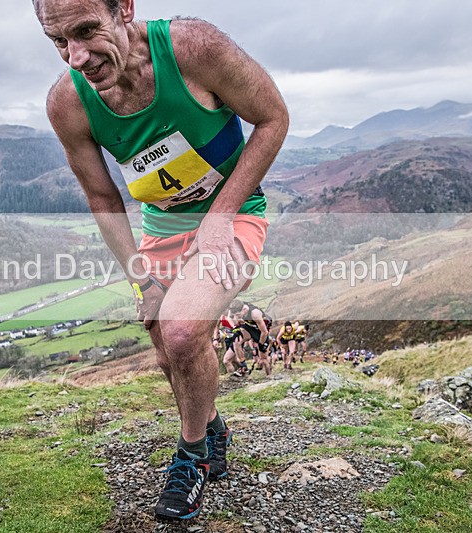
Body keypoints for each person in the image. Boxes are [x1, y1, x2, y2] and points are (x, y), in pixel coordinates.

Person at [34, 0, 288, 521]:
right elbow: (102, 198)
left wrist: (221, 214)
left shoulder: (194, 49)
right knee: (165, 346)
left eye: (87, 30)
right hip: (163, 228)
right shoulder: (68, 102)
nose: (76, 56)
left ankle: (191, 456)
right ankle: (212, 426)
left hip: (233, 213)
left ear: (124, 8)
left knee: (182, 331)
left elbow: (273, 119)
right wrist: (140, 280)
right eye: (59, 41)